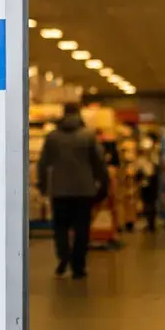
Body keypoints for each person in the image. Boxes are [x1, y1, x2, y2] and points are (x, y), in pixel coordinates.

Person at [38, 103, 110, 278]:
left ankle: (63, 258)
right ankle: (78, 266)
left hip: (60, 190)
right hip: (84, 190)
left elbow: (43, 163)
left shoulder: (52, 137)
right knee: (81, 229)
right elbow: (98, 163)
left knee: (60, 227)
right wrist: (104, 184)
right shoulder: (88, 136)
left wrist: (43, 185)